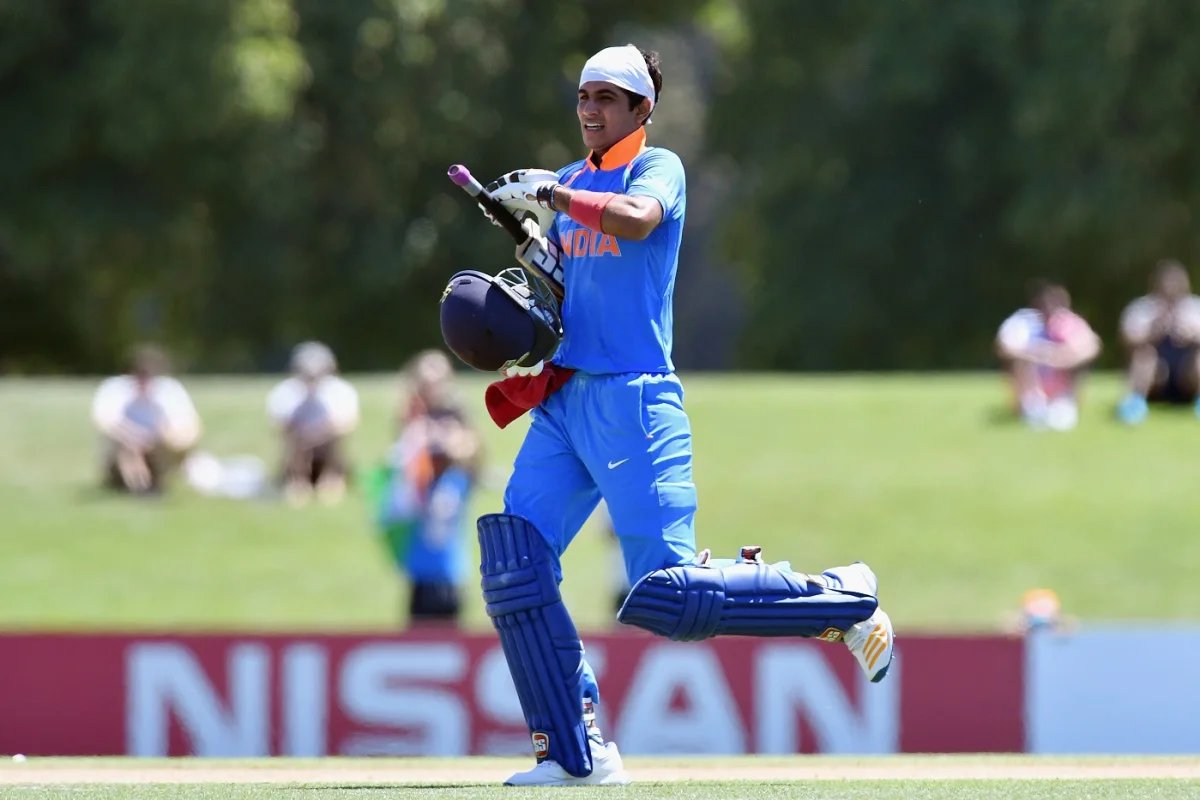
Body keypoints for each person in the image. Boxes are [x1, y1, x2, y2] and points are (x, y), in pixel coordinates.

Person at [439, 44, 894, 787]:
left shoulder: (657, 170)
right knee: (515, 566)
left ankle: (840, 598)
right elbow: (562, 287)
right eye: (584, 96)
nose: (590, 109)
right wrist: (523, 249)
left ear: (642, 109)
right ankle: (573, 754)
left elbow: (636, 222)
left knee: (666, 594)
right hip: (566, 397)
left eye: (608, 98)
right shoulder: (576, 181)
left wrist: (550, 196)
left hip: (634, 399)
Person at [373, 350, 481, 625]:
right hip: (418, 567)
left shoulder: (457, 433)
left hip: (448, 569)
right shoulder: (411, 427)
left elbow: (468, 451)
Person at [91, 344, 202, 495]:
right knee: (128, 450)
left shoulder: (169, 391)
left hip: (159, 445)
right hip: (123, 444)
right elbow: (106, 422)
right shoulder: (115, 389)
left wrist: (159, 438)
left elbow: (188, 428)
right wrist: (134, 437)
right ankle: (137, 484)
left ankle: (157, 478)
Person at [995, 280, 1101, 431]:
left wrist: (1062, 357)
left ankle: (1065, 404)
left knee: (1079, 362)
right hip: (1031, 388)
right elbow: (1004, 347)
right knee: (1020, 362)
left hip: (1063, 388)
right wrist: (1041, 353)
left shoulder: (1069, 323)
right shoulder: (1024, 321)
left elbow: (1092, 347)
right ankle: (1030, 406)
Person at [266, 341, 359, 506]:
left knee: (333, 440)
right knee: (296, 440)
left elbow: (348, 424)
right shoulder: (285, 391)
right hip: (298, 443)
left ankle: (332, 480)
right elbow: (278, 425)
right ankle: (297, 482)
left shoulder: (340, 390)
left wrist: (320, 432)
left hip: (328, 442)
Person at [1116, 259, 1200, 424]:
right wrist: (1153, 333)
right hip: (1156, 378)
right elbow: (1127, 340)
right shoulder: (1142, 308)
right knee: (1144, 354)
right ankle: (1135, 404)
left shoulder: (1195, 307)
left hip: (1187, 375)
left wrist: (1191, 336)